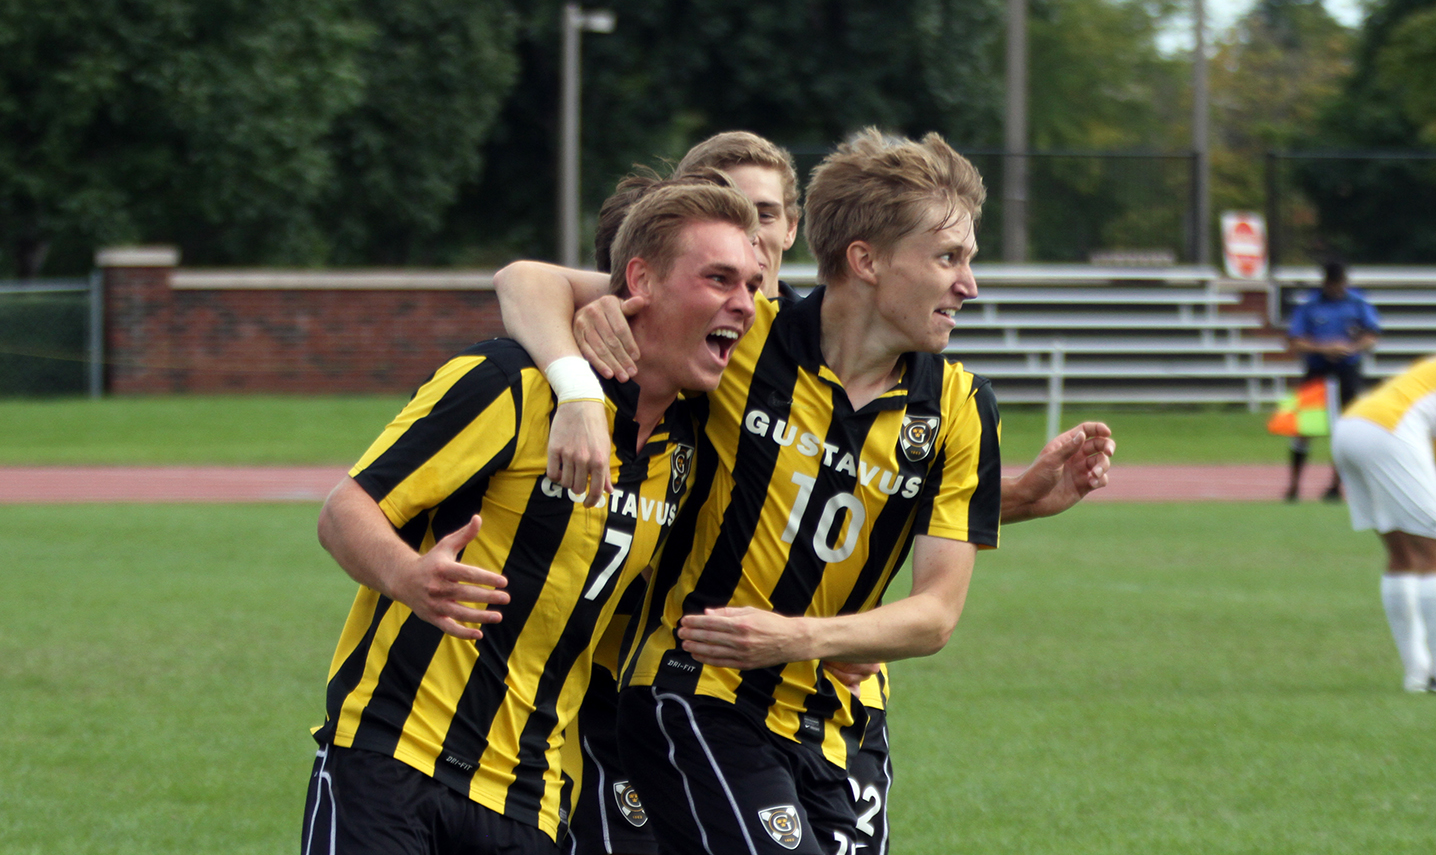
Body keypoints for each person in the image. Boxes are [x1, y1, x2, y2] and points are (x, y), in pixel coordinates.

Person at [495, 127, 1114, 855]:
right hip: (697, 691)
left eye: (968, 260)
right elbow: (524, 280)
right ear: (867, 261)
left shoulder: (959, 407)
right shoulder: (743, 332)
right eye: (948, 257)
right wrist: (576, 377)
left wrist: (803, 638)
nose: (968, 284)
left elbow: (934, 615)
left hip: (838, 721)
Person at [301, 182, 764, 855]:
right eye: (719, 278)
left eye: (751, 284)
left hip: (533, 797)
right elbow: (346, 510)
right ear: (639, 281)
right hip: (393, 754)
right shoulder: (511, 383)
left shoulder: (690, 448)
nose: (744, 305)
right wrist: (407, 576)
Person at [1330, 356, 1436, 693]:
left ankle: (1417, 674)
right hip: (1390, 430)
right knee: (1433, 555)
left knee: (1404, 555)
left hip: (1351, 427)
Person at [1285, 261, 1380, 501]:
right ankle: (1294, 485)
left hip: (1347, 369)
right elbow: (1295, 341)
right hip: (1317, 369)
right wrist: (1323, 348)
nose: (1339, 289)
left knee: (1345, 429)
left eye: (1342, 284)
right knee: (1304, 427)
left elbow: (1372, 335)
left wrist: (1351, 348)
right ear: (1326, 283)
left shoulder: (1357, 303)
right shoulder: (1310, 305)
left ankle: (1335, 486)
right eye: (1334, 284)